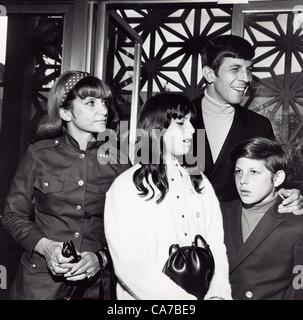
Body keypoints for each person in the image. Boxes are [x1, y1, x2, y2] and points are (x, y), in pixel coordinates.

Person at [0, 70, 129, 299]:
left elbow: (131, 230)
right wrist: (45, 247)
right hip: (38, 287)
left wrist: (101, 258)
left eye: (104, 102)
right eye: (91, 103)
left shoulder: (119, 163)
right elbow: (12, 215)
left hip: (95, 288)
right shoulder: (39, 155)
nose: (103, 110)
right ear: (65, 113)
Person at [104, 92, 232, 300]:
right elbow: (129, 264)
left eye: (191, 123)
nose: (191, 130)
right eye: (181, 123)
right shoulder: (126, 186)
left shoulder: (199, 180)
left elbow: (216, 243)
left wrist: (218, 293)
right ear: (157, 129)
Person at [194, 34, 302, 212]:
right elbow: (143, 173)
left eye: (249, 69)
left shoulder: (259, 126)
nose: (246, 78)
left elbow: (272, 180)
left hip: (233, 232)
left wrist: (289, 195)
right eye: (235, 69)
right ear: (209, 74)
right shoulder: (170, 117)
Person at [221, 137, 303, 300]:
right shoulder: (218, 212)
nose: (243, 181)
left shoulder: (296, 223)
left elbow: (298, 288)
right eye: (239, 172)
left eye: (254, 172)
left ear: (277, 178)